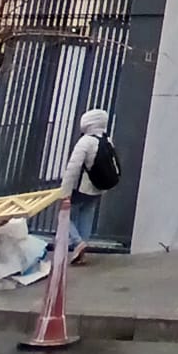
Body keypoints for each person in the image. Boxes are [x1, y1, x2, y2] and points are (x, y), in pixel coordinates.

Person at [59, 108, 116, 264]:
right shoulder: (107, 140)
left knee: (64, 216)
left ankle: (78, 243)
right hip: (98, 187)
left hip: (81, 188)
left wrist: (64, 191)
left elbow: (73, 167)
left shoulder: (85, 141)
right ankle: (81, 251)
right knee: (86, 216)